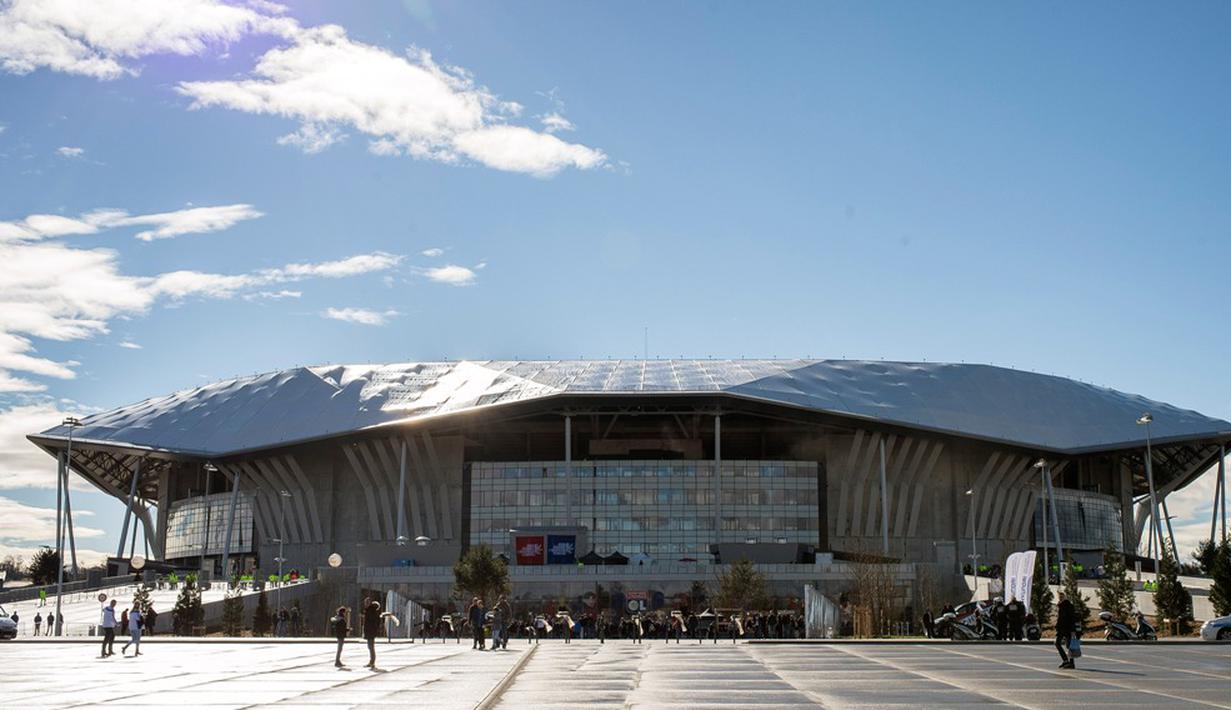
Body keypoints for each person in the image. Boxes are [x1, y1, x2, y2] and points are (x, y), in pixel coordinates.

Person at [1055, 592, 1075, 669]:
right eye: (1059, 597)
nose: (1060, 598)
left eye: (1062, 597)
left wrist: (1072, 629)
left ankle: (1069, 662)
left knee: (1062, 644)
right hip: (1063, 628)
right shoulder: (1061, 605)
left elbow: (1069, 618)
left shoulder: (1067, 606)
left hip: (1066, 628)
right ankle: (1068, 662)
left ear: (1065, 597)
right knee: (1067, 645)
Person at [362, 599, 381, 668]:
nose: (365, 604)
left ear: (369, 603)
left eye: (366, 603)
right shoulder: (370, 610)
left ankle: (372, 662)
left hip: (370, 631)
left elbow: (373, 621)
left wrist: (374, 629)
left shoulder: (371, 611)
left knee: (371, 647)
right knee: (370, 647)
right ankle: (371, 662)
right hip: (370, 631)